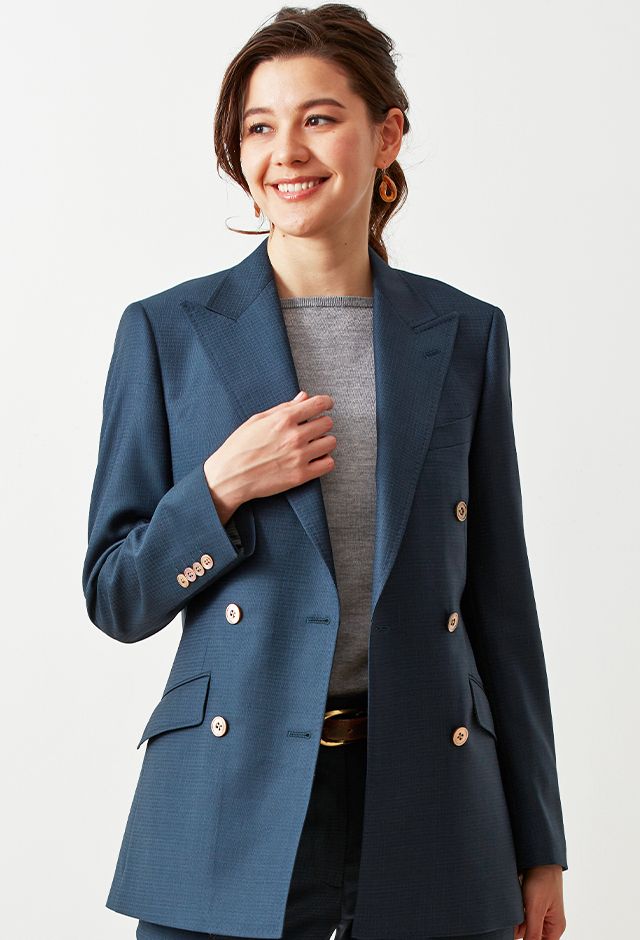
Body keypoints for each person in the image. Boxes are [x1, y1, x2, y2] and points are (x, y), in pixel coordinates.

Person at [82, 5, 568, 940]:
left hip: (432, 794)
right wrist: (220, 487)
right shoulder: (168, 332)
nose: (286, 152)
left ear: (387, 136)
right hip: (230, 798)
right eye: (259, 127)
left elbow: (502, 602)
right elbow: (116, 595)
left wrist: (539, 841)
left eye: (319, 117)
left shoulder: (464, 333)